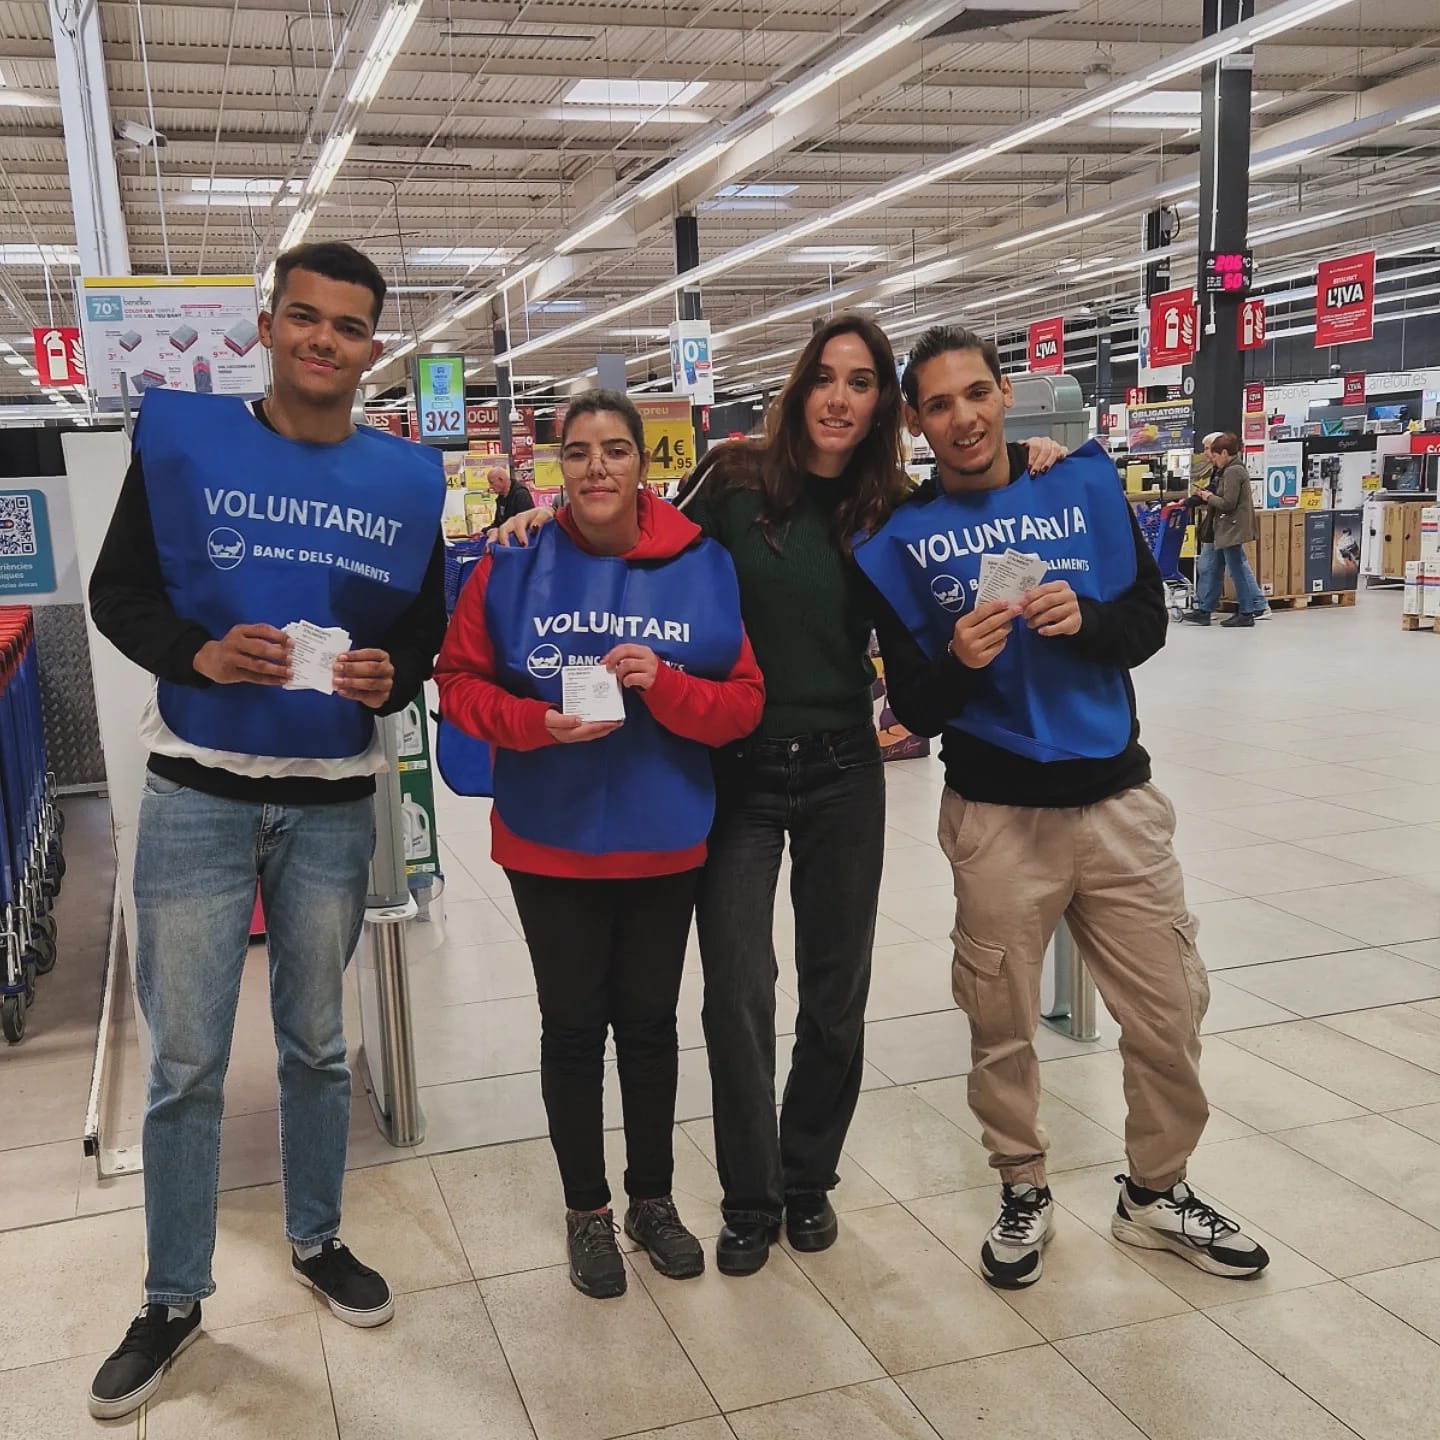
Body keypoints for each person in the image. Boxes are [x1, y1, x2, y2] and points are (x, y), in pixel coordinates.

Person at [489, 315, 1065, 1276]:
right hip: (737, 767)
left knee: (836, 994)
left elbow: (981, 507)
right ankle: (750, 1197)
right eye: (825, 377)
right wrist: (540, 522)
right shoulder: (733, 477)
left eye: (862, 382)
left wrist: (1042, 461)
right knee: (738, 992)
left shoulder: (892, 506)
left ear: (883, 406)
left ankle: (807, 1180)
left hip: (845, 765)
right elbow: (640, 538)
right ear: (799, 388)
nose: (839, 397)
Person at [86, 242, 447, 1419]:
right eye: (305, 317)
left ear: (372, 346)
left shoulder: (404, 484)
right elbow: (118, 595)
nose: (323, 340)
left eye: (348, 325)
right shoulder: (185, 449)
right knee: (184, 1061)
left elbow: (422, 634)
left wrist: (394, 676)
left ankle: (317, 1239)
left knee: (319, 1047)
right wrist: (195, 652)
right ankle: (172, 1299)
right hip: (195, 788)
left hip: (332, 799)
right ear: (268, 324)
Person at [856, 324, 1269, 1290]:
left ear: (1006, 394)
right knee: (998, 1021)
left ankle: (1156, 1191)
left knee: (1169, 1009)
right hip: (996, 817)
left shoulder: (1079, 486)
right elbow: (913, 705)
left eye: (976, 394)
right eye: (938, 404)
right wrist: (959, 660)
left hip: (1117, 801)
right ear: (914, 420)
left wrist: (1085, 619)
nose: (963, 418)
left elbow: (1146, 624)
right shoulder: (900, 541)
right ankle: (1022, 1188)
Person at [435, 390, 764, 1299]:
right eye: (577, 452)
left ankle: (652, 1200)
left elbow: (743, 704)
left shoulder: (701, 563)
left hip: (664, 837)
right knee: (575, 1029)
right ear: (557, 466)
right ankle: (587, 1212)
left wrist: (666, 684)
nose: (596, 468)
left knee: (651, 1028)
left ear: (643, 462)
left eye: (615, 449)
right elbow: (457, 684)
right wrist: (534, 723)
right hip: (549, 839)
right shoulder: (511, 564)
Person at [1185, 431, 1267, 627]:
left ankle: (1247, 612)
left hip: (1231, 529)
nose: (1212, 458)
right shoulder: (1228, 469)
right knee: (1222, 568)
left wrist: (1208, 497)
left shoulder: (1233, 471)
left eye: (1214, 454)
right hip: (1226, 528)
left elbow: (1228, 503)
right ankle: (1210, 609)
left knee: (1237, 570)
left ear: (1224, 453)